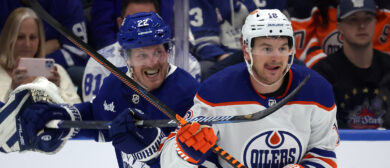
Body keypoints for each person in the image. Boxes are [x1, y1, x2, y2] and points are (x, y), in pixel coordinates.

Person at [0, 12, 200, 168]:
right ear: (127, 58)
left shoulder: (188, 92)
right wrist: (62, 117)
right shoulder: (116, 83)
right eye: (141, 55)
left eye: (158, 52)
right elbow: (98, 119)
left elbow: (199, 159)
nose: (152, 63)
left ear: (168, 51)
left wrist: (152, 151)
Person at [160, 9, 339, 167]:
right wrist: (184, 152)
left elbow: (325, 152)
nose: (276, 58)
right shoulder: (217, 92)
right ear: (246, 51)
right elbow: (169, 162)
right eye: (267, 49)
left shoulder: (316, 91)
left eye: (282, 48)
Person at [82, 0, 201, 102]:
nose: (141, 27)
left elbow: (192, 117)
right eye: (133, 21)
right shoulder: (99, 63)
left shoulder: (187, 62)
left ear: (159, 21)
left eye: (147, 20)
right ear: (120, 24)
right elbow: (99, 117)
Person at [312, 0, 390, 129]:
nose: (362, 26)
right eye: (353, 20)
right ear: (339, 26)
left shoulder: (388, 68)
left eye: (368, 19)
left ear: (376, 22)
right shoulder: (323, 74)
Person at [189, 0, 288, 80]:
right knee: (208, 70)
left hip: (266, 50)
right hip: (225, 56)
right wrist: (226, 58)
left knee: (296, 68)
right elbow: (204, 39)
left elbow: (282, 30)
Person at [0, 7, 80, 104]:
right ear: (8, 39)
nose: (27, 44)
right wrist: (13, 90)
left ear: (40, 41)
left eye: (32, 38)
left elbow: (76, 113)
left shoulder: (56, 71)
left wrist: (55, 91)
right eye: (20, 37)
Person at [289, 0, 390, 68]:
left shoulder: (384, 9)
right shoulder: (306, 6)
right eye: (353, 20)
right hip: (325, 79)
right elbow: (299, 53)